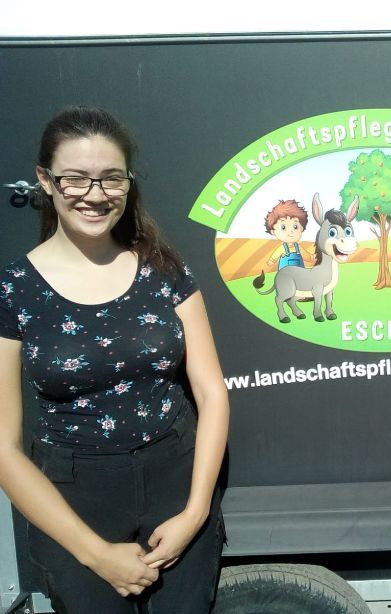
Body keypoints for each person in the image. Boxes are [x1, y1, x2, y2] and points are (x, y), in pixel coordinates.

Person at [0, 106, 230, 613]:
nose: (95, 194)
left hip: (176, 479)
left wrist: (195, 513)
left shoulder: (164, 269)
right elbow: (3, 447)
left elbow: (211, 392)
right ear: (45, 180)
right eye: (75, 179)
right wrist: (96, 554)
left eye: (111, 178)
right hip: (74, 500)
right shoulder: (13, 290)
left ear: (128, 183)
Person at [264, 199, 314, 270]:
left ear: (302, 228)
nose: (290, 232)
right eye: (283, 227)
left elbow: (306, 256)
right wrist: (271, 261)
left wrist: (311, 258)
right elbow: (275, 256)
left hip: (299, 273)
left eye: (295, 226)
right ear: (273, 232)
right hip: (285, 273)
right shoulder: (282, 248)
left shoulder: (298, 247)